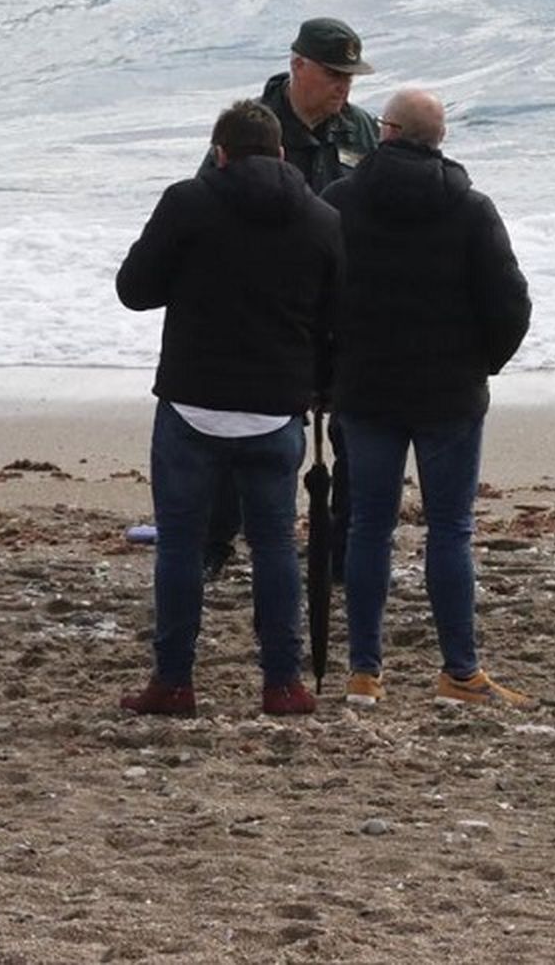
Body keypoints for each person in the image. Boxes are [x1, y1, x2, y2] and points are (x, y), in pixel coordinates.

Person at [116, 100, 341, 715]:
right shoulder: (321, 219)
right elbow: (335, 317)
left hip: (193, 402)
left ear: (220, 153)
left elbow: (134, 290)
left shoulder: (187, 203)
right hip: (275, 408)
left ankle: (174, 681)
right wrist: (321, 386)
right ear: (282, 154)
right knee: (274, 546)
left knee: (182, 547)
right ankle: (282, 683)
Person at [321, 88, 533, 708]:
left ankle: (365, 672)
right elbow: (511, 304)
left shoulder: (340, 202)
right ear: (438, 140)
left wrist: (330, 366)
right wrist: (481, 363)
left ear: (385, 132)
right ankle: (459, 671)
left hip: (366, 388)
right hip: (449, 393)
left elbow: (316, 292)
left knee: (368, 528)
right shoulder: (469, 207)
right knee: (450, 531)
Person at [202, 17, 378, 583]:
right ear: (298, 66)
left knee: (354, 433)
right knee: (249, 433)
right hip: (270, 313)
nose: (344, 88)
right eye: (334, 75)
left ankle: (342, 553)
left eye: (351, 76)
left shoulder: (361, 130)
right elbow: (212, 209)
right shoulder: (250, 128)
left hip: (343, 307)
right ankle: (217, 542)